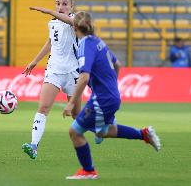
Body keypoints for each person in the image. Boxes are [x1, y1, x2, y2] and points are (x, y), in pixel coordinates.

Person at [63, 11, 161, 180]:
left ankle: (88, 171)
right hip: (112, 95)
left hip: (102, 98)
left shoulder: (84, 44)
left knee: (75, 131)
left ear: (74, 27)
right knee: (104, 132)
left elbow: (84, 76)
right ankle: (143, 134)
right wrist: (109, 85)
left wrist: (71, 103)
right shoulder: (99, 42)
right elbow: (117, 64)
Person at [21, 0, 81, 160]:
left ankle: (98, 132)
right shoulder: (52, 23)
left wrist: (48, 11)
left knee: (77, 115)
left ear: (71, 6)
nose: (60, 7)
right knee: (43, 107)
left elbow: (70, 22)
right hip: (54, 70)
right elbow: (49, 43)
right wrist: (35, 61)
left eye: (64, 4)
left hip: (72, 73)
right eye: (57, 4)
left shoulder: (75, 20)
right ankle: (33, 146)